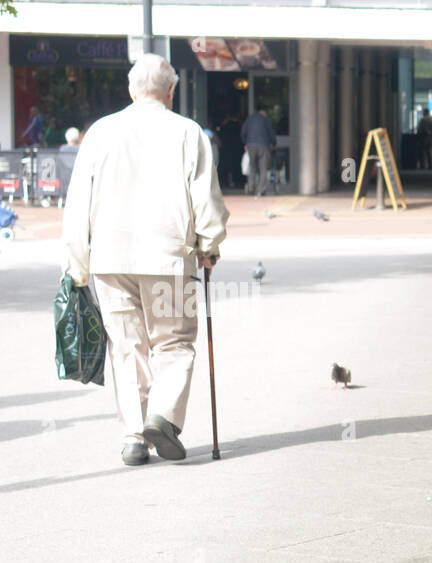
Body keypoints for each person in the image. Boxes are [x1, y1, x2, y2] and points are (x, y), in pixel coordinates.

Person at [61, 53, 230, 467]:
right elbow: (205, 197)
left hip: (110, 259)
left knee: (126, 346)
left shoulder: (100, 132)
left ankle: (134, 436)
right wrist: (210, 243)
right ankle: (163, 415)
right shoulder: (189, 132)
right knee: (175, 341)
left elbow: (77, 201)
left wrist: (77, 263)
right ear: (172, 90)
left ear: (131, 89)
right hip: (170, 258)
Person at [241, 105, 276, 197]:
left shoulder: (250, 119)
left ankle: (251, 188)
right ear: (264, 113)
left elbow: (243, 132)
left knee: (252, 167)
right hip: (263, 146)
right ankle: (260, 190)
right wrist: (274, 143)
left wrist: (245, 143)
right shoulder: (266, 120)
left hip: (251, 146)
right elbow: (271, 133)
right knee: (263, 169)